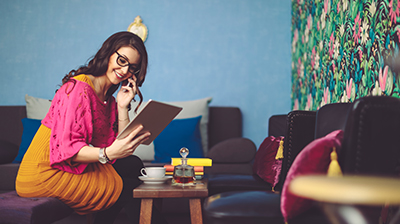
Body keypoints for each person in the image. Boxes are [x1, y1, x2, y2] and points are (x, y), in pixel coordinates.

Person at [16, 31, 164, 223]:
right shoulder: (78, 89)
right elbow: (69, 150)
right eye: (121, 60)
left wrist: (122, 107)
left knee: (133, 164)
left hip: (70, 167)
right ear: (108, 53)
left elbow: (120, 151)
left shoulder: (109, 99)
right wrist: (108, 153)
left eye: (132, 67)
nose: (125, 70)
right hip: (45, 173)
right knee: (131, 188)